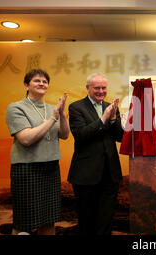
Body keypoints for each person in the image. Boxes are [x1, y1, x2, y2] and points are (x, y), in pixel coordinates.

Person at [6, 69, 70, 235]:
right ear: (26, 85)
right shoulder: (16, 107)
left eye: (45, 81)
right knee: (24, 223)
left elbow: (64, 135)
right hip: (27, 169)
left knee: (49, 219)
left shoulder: (53, 108)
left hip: (51, 168)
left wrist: (62, 114)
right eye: (37, 81)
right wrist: (53, 118)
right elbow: (26, 139)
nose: (42, 84)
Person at [68, 73, 123, 235]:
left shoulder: (111, 106)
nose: (101, 91)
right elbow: (81, 135)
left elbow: (120, 137)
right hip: (86, 174)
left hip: (110, 173)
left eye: (104, 88)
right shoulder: (76, 107)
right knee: (87, 220)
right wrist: (103, 118)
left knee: (106, 220)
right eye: (96, 88)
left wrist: (113, 120)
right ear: (88, 88)